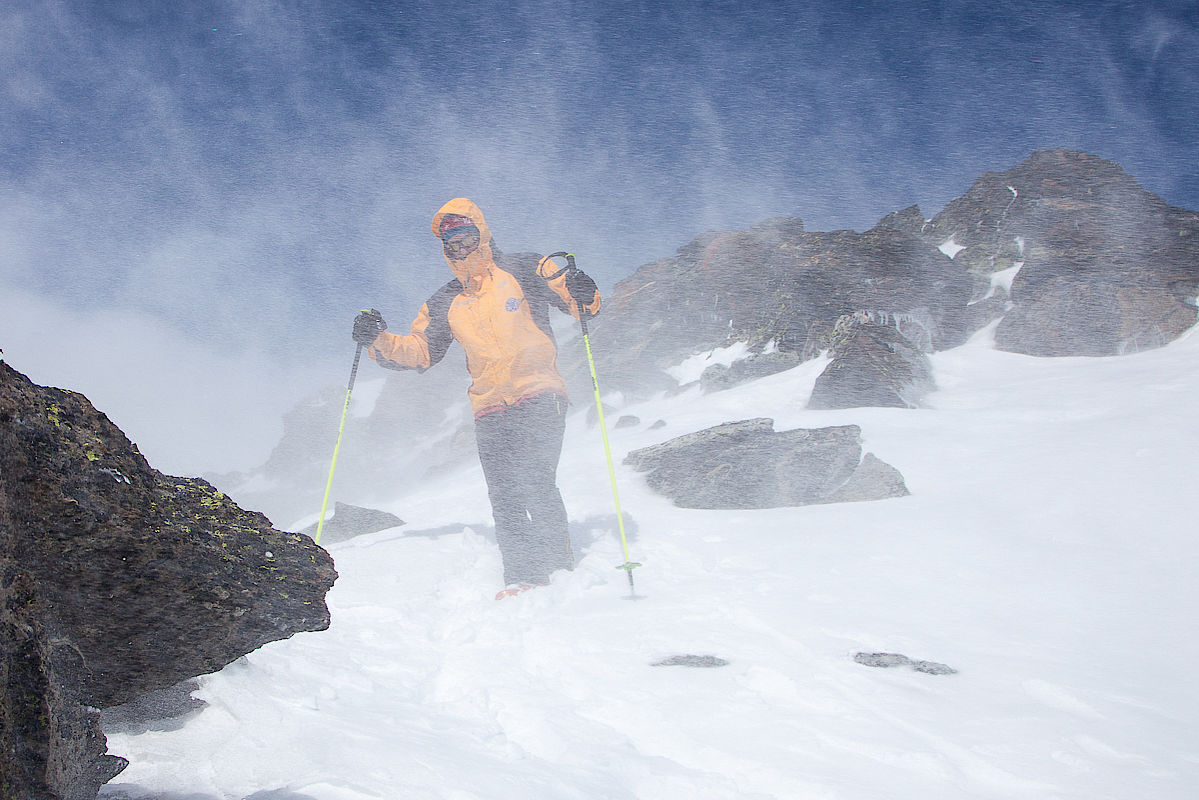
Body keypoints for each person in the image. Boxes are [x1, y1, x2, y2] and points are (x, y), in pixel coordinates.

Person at [352, 198, 601, 599]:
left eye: (467, 237)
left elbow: (578, 304)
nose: (461, 248)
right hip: (489, 406)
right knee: (503, 491)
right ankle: (522, 575)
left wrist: (583, 292)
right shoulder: (446, 300)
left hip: (539, 390)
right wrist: (377, 339)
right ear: (446, 250)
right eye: (452, 243)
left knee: (536, 479)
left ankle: (559, 569)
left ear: (482, 233)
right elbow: (421, 351)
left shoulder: (524, 267)